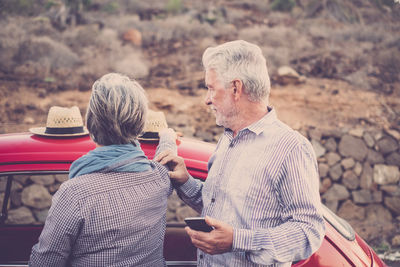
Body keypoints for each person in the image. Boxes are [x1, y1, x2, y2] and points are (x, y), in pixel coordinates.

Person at [156, 40, 326, 266]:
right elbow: (218, 209)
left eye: (211, 88)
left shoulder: (291, 148)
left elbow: (309, 231)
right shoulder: (228, 139)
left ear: (236, 88)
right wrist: (185, 181)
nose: (206, 100)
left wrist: (237, 240)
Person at [29, 73, 177, 266]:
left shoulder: (74, 194)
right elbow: (166, 157)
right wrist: (167, 137)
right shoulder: (160, 178)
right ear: (140, 123)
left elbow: (45, 263)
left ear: (91, 122)